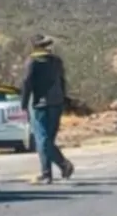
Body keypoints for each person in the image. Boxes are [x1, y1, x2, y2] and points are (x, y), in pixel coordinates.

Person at [19, 35, 75, 185]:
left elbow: (26, 83)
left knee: (42, 140)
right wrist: (63, 98)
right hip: (56, 102)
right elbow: (62, 81)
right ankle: (49, 173)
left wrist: (23, 104)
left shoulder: (32, 61)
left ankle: (59, 166)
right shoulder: (56, 61)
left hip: (39, 104)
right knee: (47, 140)